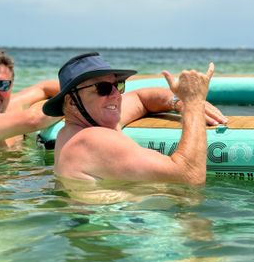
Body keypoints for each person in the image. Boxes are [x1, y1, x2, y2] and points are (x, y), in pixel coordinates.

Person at [43, 52, 228, 185]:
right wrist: (194, 103)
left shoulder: (73, 130)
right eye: (103, 88)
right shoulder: (91, 139)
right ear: (72, 102)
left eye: (118, 85)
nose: (116, 95)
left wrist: (179, 103)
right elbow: (190, 176)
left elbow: (141, 97)